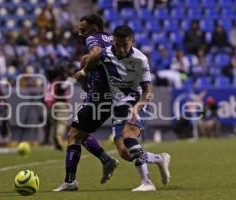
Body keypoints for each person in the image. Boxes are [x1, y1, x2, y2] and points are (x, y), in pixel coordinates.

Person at [97, 25, 170, 191]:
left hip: (136, 103)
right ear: (113, 42)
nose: (121, 49)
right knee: (124, 152)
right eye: (118, 45)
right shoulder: (105, 54)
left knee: (129, 135)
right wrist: (83, 70)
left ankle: (147, 182)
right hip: (117, 108)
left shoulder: (140, 59)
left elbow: (148, 90)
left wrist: (138, 106)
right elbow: (90, 58)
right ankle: (159, 159)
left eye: (125, 45)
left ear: (133, 42)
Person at [53, 14, 119, 192]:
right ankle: (107, 160)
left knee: (74, 135)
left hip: (98, 96)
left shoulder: (93, 39)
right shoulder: (113, 39)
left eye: (83, 30)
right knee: (80, 133)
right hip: (112, 96)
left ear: (94, 29)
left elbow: (96, 54)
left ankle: (70, 182)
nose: (80, 33)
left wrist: (83, 72)